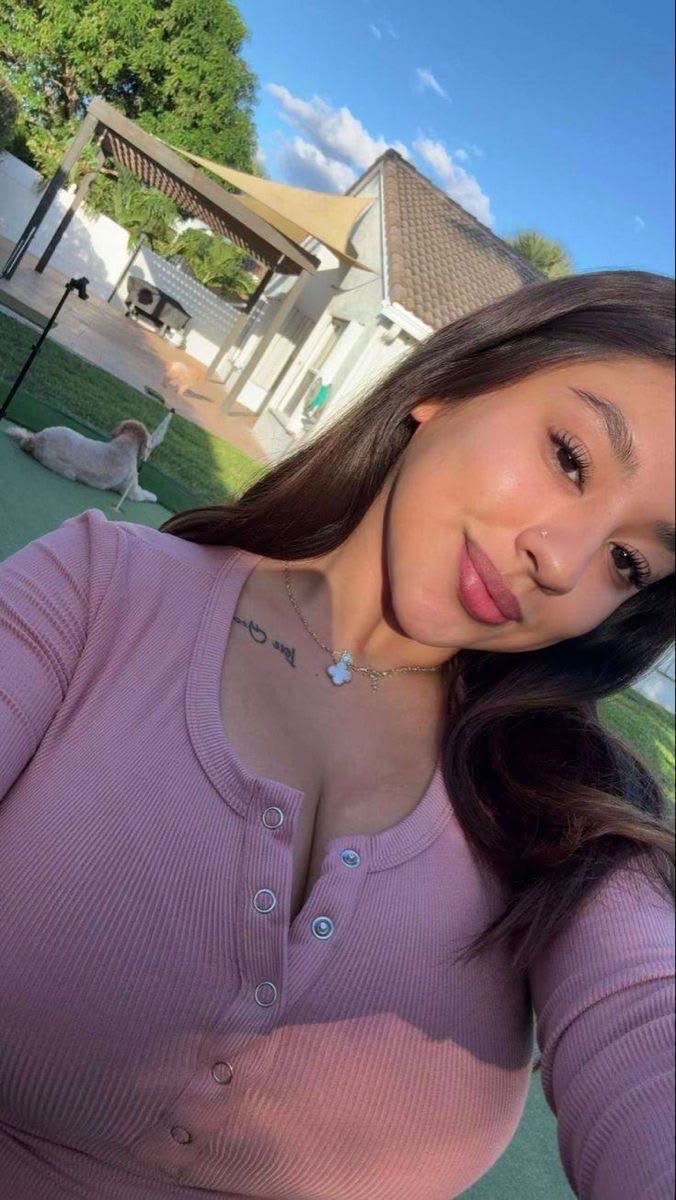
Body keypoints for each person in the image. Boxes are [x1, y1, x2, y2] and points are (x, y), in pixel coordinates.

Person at [0, 270, 673, 1200]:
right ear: (452, 385)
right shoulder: (102, 592)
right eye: (570, 456)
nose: (561, 562)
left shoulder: (568, 807)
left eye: (629, 561)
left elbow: (648, 1016)